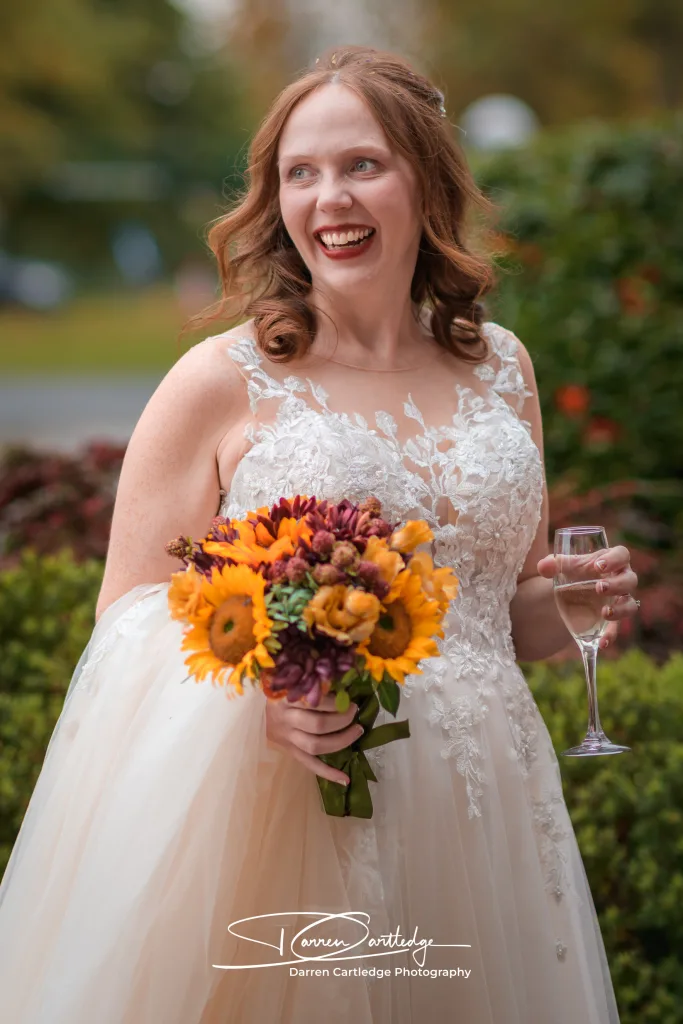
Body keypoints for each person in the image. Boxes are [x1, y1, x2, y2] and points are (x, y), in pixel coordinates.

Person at [0, 45, 639, 1023]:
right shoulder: (220, 379)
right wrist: (265, 693)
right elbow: (128, 615)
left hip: (489, 805)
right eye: (300, 173)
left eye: (361, 165)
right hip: (306, 807)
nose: (327, 198)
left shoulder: (502, 368)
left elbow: (492, 616)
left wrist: (571, 605)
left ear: (425, 180)